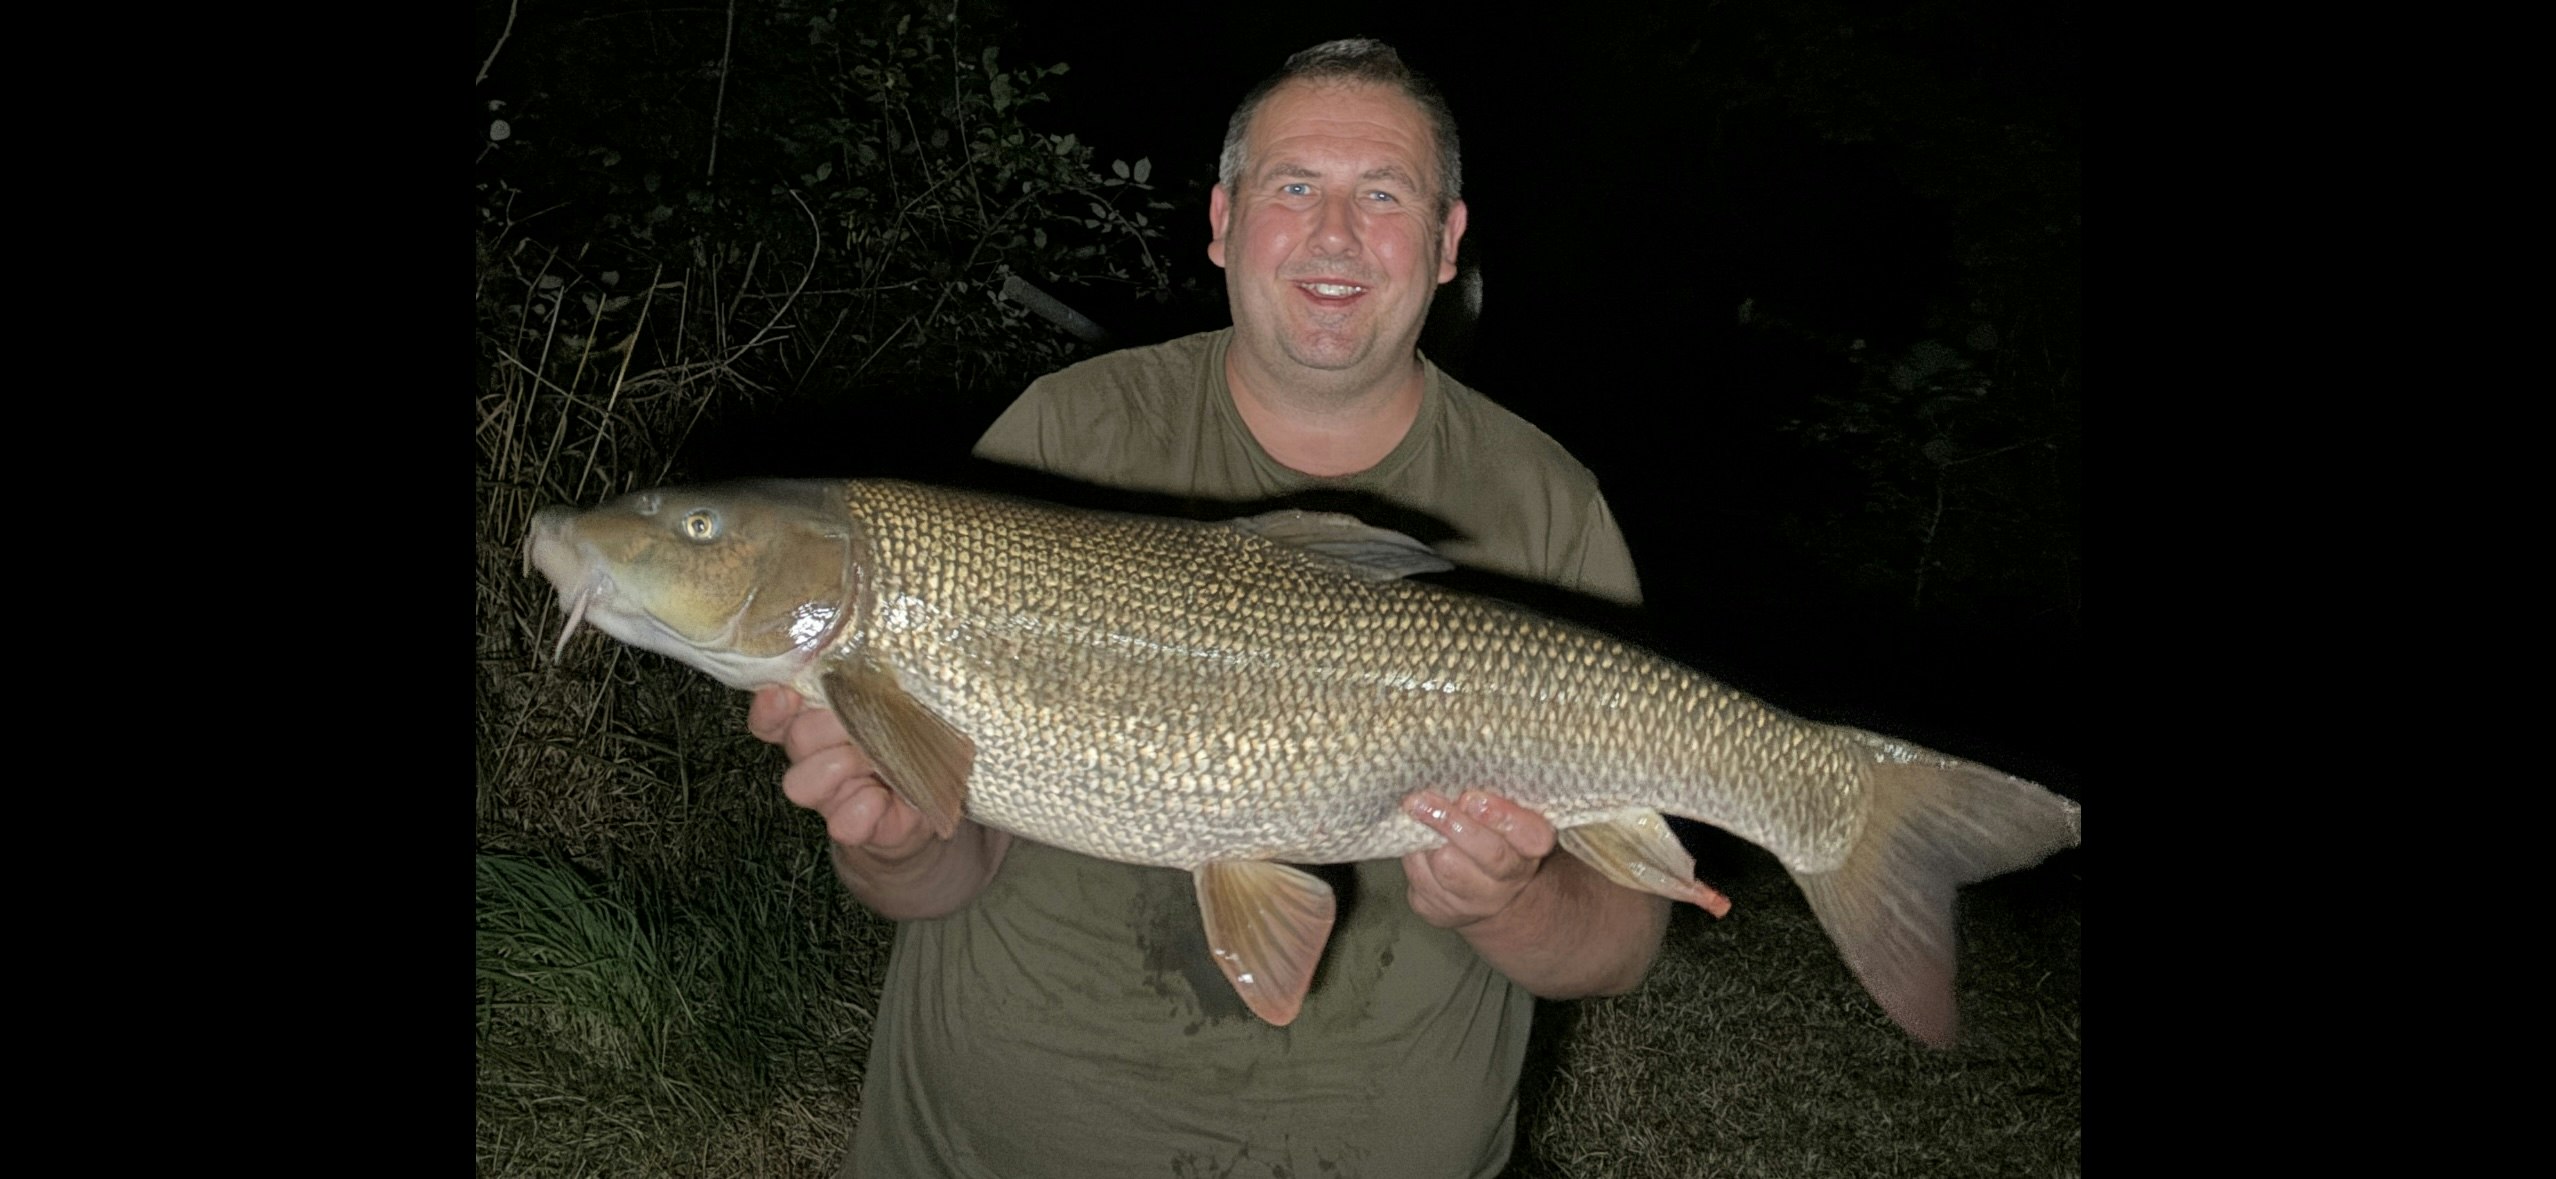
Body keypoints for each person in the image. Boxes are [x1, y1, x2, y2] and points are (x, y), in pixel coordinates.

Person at [749, 38, 1673, 1179]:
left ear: (1445, 244)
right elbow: (943, 872)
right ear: (1225, 222)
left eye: (1382, 195)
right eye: (1295, 188)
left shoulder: (1543, 503)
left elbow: (1620, 943)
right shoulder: (1065, 434)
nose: (1334, 233)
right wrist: (886, 839)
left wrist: (1510, 897)